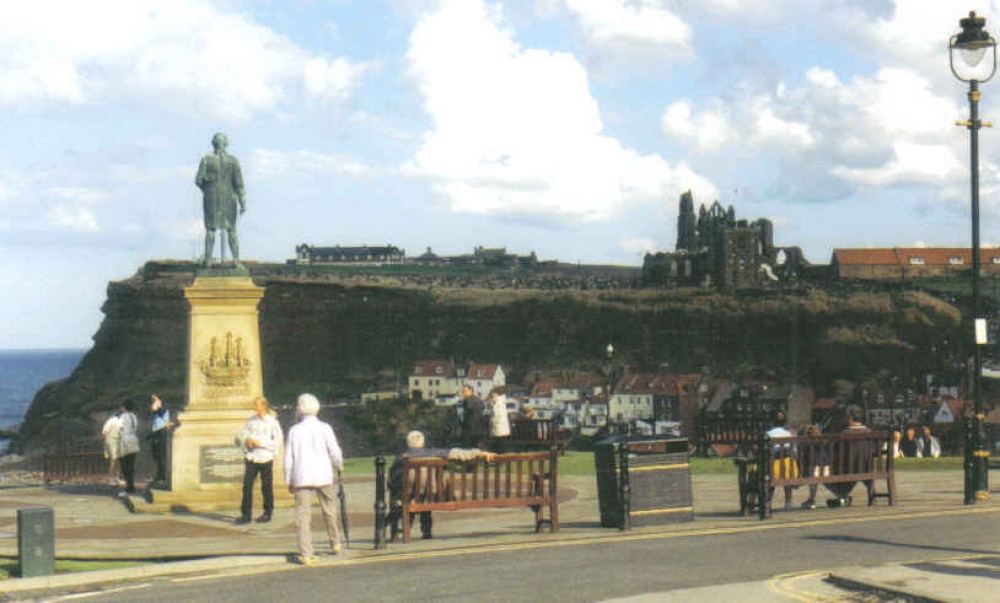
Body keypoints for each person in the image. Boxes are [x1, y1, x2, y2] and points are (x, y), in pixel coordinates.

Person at [387, 430, 497, 540]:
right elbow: (457, 453)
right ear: (423, 443)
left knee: (408, 496)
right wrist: (480, 453)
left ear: (407, 443)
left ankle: (402, 530)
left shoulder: (400, 458)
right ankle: (426, 532)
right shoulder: (433, 453)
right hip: (430, 495)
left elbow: (392, 479)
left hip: (408, 495)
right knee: (424, 493)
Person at [284, 393, 344, 566]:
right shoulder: (325, 428)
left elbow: (288, 458)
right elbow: (334, 450)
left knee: (303, 516)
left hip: (302, 476)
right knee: (329, 509)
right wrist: (339, 465)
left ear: (300, 409)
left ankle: (306, 553)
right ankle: (335, 542)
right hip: (323, 474)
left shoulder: (294, 430)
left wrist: (288, 478)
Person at [195, 132, 246, 268]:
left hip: (211, 198)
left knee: (211, 229)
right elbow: (239, 184)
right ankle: (236, 261)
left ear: (213, 143)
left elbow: (198, 180)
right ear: (226, 143)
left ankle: (208, 261)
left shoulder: (206, 159)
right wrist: (242, 202)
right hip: (229, 198)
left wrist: (207, 189)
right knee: (231, 229)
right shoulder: (233, 160)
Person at [236, 396, 283, 524]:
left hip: (265, 456)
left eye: (257, 405)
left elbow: (277, 440)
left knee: (266, 486)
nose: (255, 407)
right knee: (247, 486)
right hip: (252, 456)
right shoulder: (251, 421)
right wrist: (247, 440)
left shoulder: (272, 422)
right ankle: (246, 515)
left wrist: (261, 443)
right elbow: (242, 434)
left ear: (264, 406)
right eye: (254, 405)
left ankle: (267, 512)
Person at [825, 405, 870, 507]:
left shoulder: (845, 433)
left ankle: (842, 497)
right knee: (847, 471)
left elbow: (834, 451)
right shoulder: (869, 432)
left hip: (847, 468)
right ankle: (842, 498)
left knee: (827, 474)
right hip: (866, 467)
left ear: (850, 417)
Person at [765, 412, 798, 511]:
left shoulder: (768, 434)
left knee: (769, 477)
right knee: (787, 477)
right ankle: (788, 503)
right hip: (788, 469)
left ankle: (768, 502)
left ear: (771, 422)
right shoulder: (788, 434)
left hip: (772, 469)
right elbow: (794, 452)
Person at [797, 424, 825, 510]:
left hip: (809, 471)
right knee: (814, 473)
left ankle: (811, 500)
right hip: (825, 470)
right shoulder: (820, 443)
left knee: (811, 473)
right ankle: (841, 496)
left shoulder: (803, 445)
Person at [148, 395, 174, 486]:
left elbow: (155, 409)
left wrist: (157, 403)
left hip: (162, 433)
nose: (153, 402)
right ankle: (159, 475)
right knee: (156, 455)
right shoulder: (158, 410)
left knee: (161, 456)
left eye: (155, 400)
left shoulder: (164, 408)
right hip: (156, 433)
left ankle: (162, 476)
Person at [118, 401, 141, 494]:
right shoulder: (134, 416)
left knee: (125, 465)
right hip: (133, 440)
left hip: (125, 441)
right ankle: (131, 485)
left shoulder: (123, 416)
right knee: (131, 465)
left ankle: (129, 486)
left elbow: (119, 428)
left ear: (124, 408)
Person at [458, 384, 486, 449]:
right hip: (479, 429)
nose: (463, 393)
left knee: (468, 449)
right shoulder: (479, 400)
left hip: (469, 430)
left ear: (470, 391)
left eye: (464, 391)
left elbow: (467, 416)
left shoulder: (468, 401)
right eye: (462, 391)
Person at [101, 410, 122, 485]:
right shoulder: (119, 421)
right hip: (115, 441)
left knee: (112, 460)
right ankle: (113, 478)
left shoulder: (108, 422)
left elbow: (103, 432)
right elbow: (122, 431)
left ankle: (114, 477)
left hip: (107, 441)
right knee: (115, 460)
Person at [488, 387, 511, 452]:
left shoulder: (499, 402)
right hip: (498, 425)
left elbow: (498, 413)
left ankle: (501, 453)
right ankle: (499, 452)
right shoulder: (495, 401)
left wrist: (494, 422)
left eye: (492, 393)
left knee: (500, 440)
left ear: (496, 394)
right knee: (498, 440)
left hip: (499, 424)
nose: (491, 395)